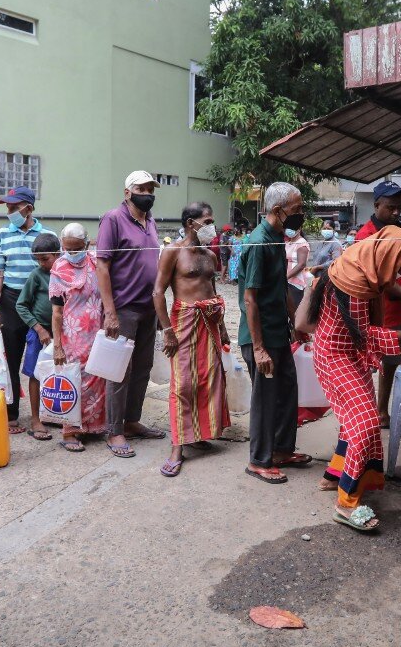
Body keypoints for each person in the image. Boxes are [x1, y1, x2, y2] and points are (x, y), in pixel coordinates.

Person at [297, 226, 401, 530]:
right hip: (335, 355)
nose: (398, 273)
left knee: (356, 420)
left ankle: (333, 476)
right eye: (399, 266)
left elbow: (382, 292)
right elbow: (363, 333)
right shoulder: (354, 284)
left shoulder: (360, 264)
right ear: (387, 255)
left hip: (348, 353)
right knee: (366, 422)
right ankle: (347, 504)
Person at [238, 182, 311, 484]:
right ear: (278, 210)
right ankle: (259, 460)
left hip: (279, 332)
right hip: (261, 337)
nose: (300, 215)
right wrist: (258, 348)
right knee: (266, 400)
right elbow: (249, 298)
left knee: (287, 392)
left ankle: (281, 450)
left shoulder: (278, 237)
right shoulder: (258, 242)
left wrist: (296, 323)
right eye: (296, 209)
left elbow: (280, 286)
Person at [152, 202, 231, 477]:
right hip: (183, 321)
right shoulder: (173, 251)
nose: (212, 226)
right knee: (182, 383)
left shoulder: (210, 254)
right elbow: (158, 292)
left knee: (208, 379)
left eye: (212, 220)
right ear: (190, 223)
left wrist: (221, 327)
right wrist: (167, 330)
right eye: (206, 221)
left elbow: (213, 290)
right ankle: (177, 446)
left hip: (209, 321)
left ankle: (198, 434)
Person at [96, 170, 167, 456]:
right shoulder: (113, 219)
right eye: (142, 188)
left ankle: (132, 421)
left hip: (148, 307)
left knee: (142, 368)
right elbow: (102, 266)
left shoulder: (150, 222)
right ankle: (114, 431)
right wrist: (110, 312)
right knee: (118, 371)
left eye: (151, 189)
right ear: (127, 192)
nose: (148, 193)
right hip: (123, 308)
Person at [357, 181, 401, 430]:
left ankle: (382, 413)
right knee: (369, 362)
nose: (396, 212)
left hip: (398, 308)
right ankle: (369, 414)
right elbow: (382, 282)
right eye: (391, 207)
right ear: (377, 205)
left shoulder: (400, 231)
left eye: (399, 207)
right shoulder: (366, 236)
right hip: (375, 310)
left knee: (391, 361)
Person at [0, 186, 45, 434]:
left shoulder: (46, 235)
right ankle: (11, 413)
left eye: (13, 207)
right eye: (8, 207)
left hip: (38, 300)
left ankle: (45, 412)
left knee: (41, 359)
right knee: (11, 359)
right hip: (11, 301)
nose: (9, 211)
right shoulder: (1, 234)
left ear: (28, 208)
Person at [49, 224, 108, 451]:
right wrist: (57, 345)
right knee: (75, 381)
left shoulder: (96, 262)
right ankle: (70, 432)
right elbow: (56, 312)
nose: (72, 254)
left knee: (98, 378)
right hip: (72, 334)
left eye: (76, 249)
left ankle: (93, 427)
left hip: (98, 331)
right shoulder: (59, 267)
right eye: (67, 249)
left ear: (87, 244)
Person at [16, 232, 60, 441]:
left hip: (64, 331)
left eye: (46, 259)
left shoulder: (66, 273)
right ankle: (35, 419)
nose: (42, 263)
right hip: (39, 332)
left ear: (58, 254)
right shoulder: (36, 275)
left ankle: (58, 413)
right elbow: (21, 305)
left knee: (61, 372)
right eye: (38, 260)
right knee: (35, 374)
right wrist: (39, 329)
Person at [284, 225, 310, 308]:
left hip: (296, 281)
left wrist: (285, 277)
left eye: (291, 227)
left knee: (295, 308)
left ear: (299, 229)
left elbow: (301, 264)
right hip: (287, 280)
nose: (288, 230)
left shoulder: (302, 244)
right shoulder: (288, 242)